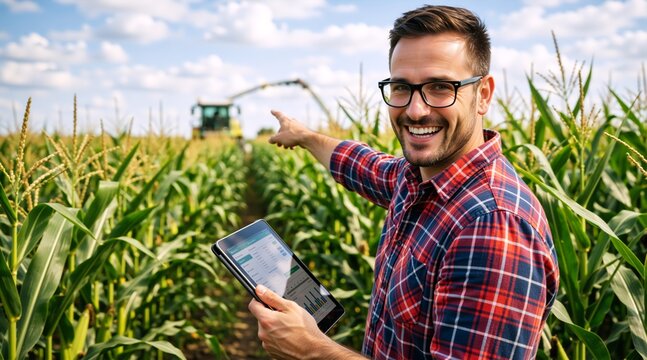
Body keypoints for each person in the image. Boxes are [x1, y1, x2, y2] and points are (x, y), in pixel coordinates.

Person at [248, 5, 559, 359]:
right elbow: (361, 164)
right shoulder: (415, 182)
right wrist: (304, 136)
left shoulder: (490, 227)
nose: (415, 110)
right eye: (401, 88)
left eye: (441, 87)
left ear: (483, 94)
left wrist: (312, 350)